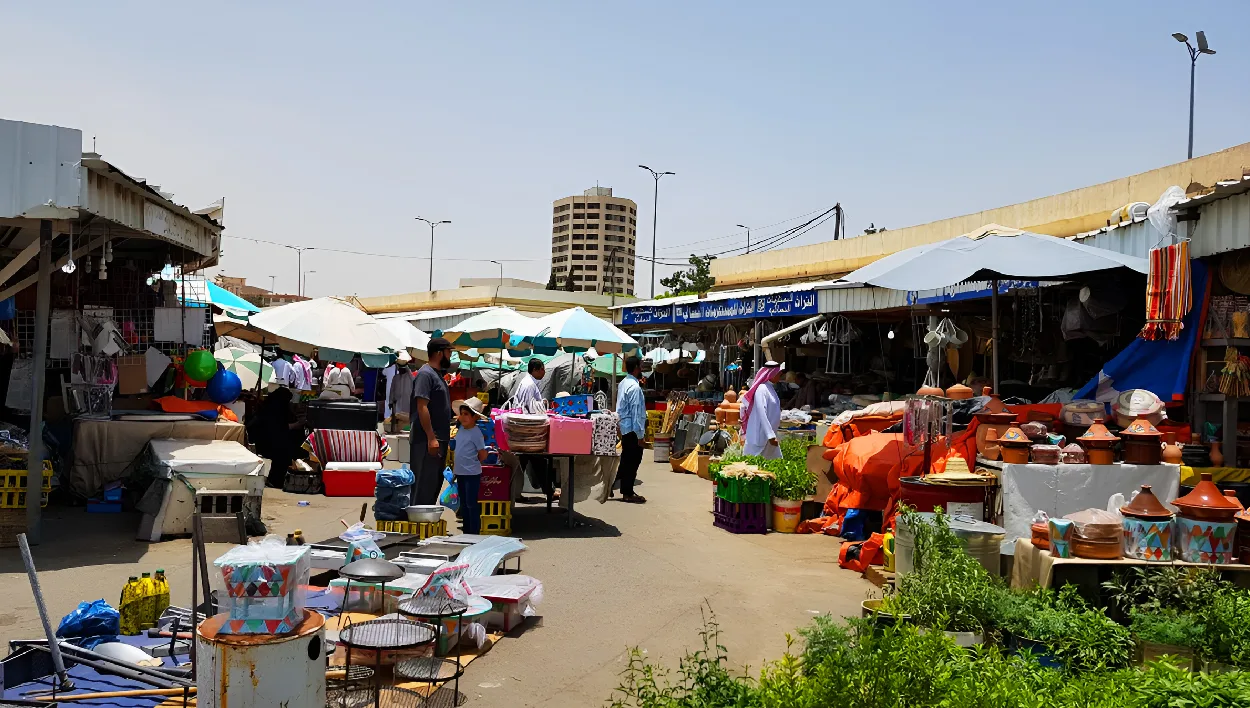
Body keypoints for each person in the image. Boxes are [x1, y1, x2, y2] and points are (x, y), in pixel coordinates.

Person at [412, 337, 453, 505]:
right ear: (439, 353)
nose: (450, 356)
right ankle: (417, 526)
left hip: (439, 439)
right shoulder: (425, 374)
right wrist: (431, 437)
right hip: (427, 441)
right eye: (449, 352)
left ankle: (426, 525)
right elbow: (422, 406)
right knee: (423, 487)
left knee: (433, 486)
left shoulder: (437, 375)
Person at [513, 358, 554, 501]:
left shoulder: (528, 383)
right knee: (537, 461)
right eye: (542, 369)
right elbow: (527, 408)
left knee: (524, 463)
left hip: (526, 430)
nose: (544, 372)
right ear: (535, 370)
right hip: (528, 430)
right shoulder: (529, 384)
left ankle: (515, 493)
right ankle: (548, 491)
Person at [250, 387, 305, 488]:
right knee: (285, 451)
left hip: (264, 440)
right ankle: (276, 480)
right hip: (268, 442)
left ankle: (276, 479)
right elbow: (280, 428)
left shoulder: (268, 406)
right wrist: (298, 424)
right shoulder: (276, 409)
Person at [452, 398, 489, 534]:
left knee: (471, 504)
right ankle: (466, 531)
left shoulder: (476, 433)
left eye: (466, 414)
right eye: (461, 414)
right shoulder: (461, 429)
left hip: (472, 474)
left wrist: (474, 461)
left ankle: (474, 532)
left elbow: (482, 454)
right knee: (464, 504)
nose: (462, 417)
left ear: (475, 417)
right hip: (460, 472)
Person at [615, 355, 647, 503]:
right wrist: (640, 435)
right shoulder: (634, 387)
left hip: (625, 427)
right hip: (632, 429)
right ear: (636, 368)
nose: (641, 369)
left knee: (626, 459)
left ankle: (612, 484)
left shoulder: (623, 383)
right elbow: (636, 412)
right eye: (640, 366)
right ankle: (627, 492)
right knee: (633, 461)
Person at [741, 361, 783, 459]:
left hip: (768, 436)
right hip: (760, 436)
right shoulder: (762, 389)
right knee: (752, 464)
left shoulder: (770, 388)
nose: (780, 376)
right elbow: (761, 413)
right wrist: (770, 435)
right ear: (772, 374)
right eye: (779, 374)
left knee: (774, 464)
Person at [386, 351, 415, 431]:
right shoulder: (396, 378)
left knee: (406, 419)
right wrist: (391, 402)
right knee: (397, 419)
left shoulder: (410, 378)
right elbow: (392, 390)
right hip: (397, 403)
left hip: (408, 403)